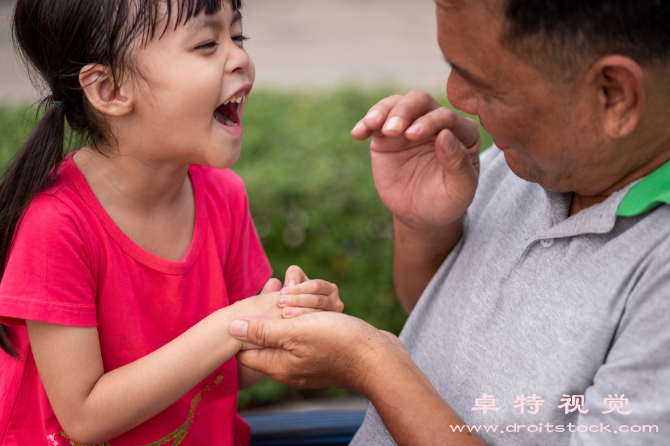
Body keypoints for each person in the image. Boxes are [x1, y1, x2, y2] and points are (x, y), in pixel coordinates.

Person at [229, 0, 670, 445]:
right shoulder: (536, 160)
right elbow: (451, 332)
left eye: (487, 85)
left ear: (613, 94)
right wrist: (424, 224)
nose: (456, 95)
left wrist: (371, 364)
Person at [0, 1, 344, 445]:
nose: (240, 57)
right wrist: (232, 325)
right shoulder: (57, 224)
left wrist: (285, 321)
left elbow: (228, 368)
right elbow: (84, 417)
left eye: (237, 37)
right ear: (108, 89)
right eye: (206, 44)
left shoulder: (224, 196)